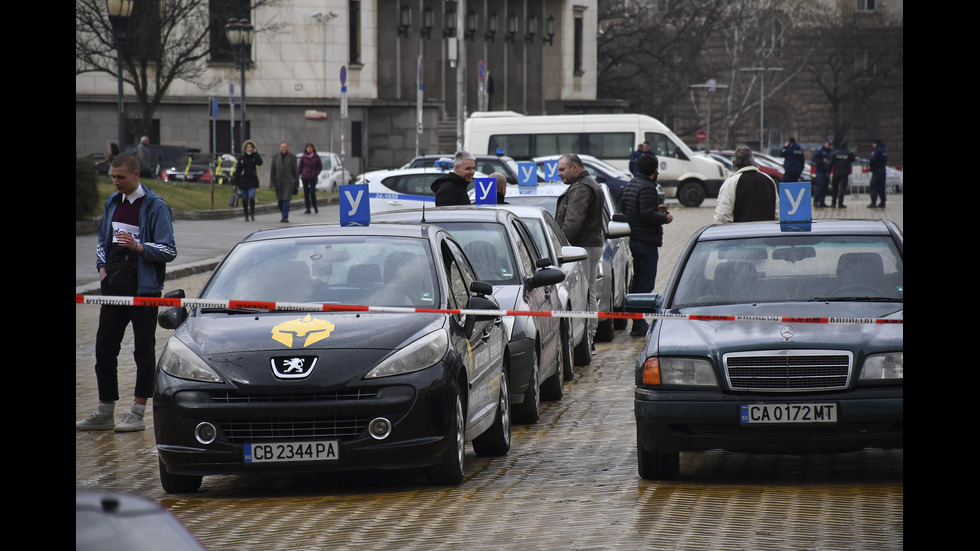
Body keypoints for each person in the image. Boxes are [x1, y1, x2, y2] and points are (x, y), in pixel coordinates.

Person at [77, 152, 177, 432]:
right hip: (113, 288)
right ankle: (104, 410)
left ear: (136, 175)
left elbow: (169, 250)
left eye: (120, 177)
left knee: (143, 350)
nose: (115, 182)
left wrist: (139, 247)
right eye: (112, 177)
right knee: (104, 348)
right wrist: (102, 269)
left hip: (144, 289)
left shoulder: (155, 206)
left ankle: (137, 412)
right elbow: (102, 238)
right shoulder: (112, 202)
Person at [619, 154, 673, 336]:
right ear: (654, 170)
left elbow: (628, 208)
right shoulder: (648, 187)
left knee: (638, 282)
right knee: (645, 285)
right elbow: (646, 216)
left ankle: (637, 321)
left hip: (634, 239)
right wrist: (665, 218)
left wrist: (655, 209)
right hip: (645, 241)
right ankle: (639, 323)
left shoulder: (633, 183)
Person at [555, 153, 604, 351]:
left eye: (562, 169)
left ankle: (588, 337)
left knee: (585, 293)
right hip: (588, 244)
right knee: (589, 291)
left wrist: (561, 247)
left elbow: (572, 222)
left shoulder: (581, 187)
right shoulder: (586, 184)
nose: (559, 174)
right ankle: (589, 336)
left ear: (574, 168)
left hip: (582, 247)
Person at [713, 147, 778, 224]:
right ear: (753, 161)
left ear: (734, 163)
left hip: (741, 233)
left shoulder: (731, 182)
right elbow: (778, 212)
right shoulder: (768, 180)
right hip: (766, 232)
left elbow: (723, 215)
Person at [234, 139, 263, 221]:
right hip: (243, 181)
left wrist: (255, 153)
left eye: (250, 147)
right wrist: (236, 183)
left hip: (252, 180)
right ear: (245, 148)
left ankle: (252, 213)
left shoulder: (254, 157)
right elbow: (238, 171)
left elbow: (260, 163)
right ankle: (246, 214)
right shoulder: (242, 158)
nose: (249, 149)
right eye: (247, 147)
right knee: (245, 198)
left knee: (251, 196)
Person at [270, 141, 299, 222]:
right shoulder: (275, 157)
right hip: (278, 182)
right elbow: (273, 170)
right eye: (282, 147)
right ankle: (283, 213)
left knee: (286, 199)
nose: (283, 149)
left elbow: (295, 171)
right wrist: (272, 182)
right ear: (280, 148)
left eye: (285, 147)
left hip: (288, 182)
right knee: (280, 200)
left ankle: (285, 217)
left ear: (287, 148)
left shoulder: (292, 157)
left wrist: (296, 183)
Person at [829, 141, 856, 208]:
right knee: (842, 188)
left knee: (834, 188)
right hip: (844, 173)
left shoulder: (835, 153)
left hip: (836, 172)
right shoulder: (849, 153)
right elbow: (853, 160)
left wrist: (828, 171)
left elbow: (830, 163)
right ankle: (840, 203)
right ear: (846, 146)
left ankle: (833, 203)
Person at [298, 143, 323, 214]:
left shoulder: (316, 157)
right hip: (305, 176)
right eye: (308, 148)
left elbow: (320, 167)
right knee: (306, 193)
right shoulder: (303, 157)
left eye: (310, 148)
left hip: (313, 177)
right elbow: (300, 166)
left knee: (312, 192)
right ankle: (307, 208)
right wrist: (299, 174)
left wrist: (316, 173)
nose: (309, 149)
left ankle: (315, 206)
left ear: (313, 149)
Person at [811, 138, 833, 208]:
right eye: (828, 144)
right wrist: (822, 161)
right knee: (819, 187)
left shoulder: (830, 152)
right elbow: (814, 159)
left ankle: (822, 202)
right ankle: (816, 202)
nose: (829, 146)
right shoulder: (820, 151)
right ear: (825, 143)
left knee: (825, 188)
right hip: (820, 172)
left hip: (827, 172)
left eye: (830, 144)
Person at [868, 139, 889, 209]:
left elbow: (872, 160)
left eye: (873, 144)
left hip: (876, 171)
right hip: (883, 171)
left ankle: (873, 202)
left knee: (873, 187)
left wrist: (871, 166)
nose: (872, 145)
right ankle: (883, 202)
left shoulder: (877, 150)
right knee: (881, 188)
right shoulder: (884, 150)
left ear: (875, 144)